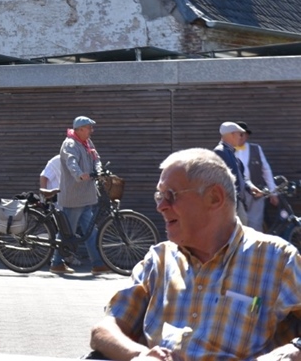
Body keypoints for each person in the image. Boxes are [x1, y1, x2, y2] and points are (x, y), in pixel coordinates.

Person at [90, 148, 301, 360]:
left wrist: (286, 355)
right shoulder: (159, 259)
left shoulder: (277, 259)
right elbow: (105, 329)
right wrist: (141, 355)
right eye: (159, 196)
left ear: (214, 197)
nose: (161, 206)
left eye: (170, 195)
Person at [49, 116, 107, 276]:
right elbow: (71, 162)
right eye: (89, 128)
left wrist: (99, 170)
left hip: (86, 195)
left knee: (90, 232)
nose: (91, 131)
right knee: (67, 232)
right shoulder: (70, 144)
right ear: (80, 129)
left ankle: (98, 264)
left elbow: (96, 158)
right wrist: (79, 174)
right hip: (74, 196)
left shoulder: (87, 142)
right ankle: (56, 263)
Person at [233, 121, 280, 232]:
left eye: (243, 134)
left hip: (256, 192)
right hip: (236, 193)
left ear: (247, 136)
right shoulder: (228, 150)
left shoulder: (256, 149)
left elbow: (266, 170)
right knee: (238, 223)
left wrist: (273, 192)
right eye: (238, 134)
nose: (240, 137)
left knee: (256, 223)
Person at [214, 121, 250, 225]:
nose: (240, 137)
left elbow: (240, 176)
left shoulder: (230, 152)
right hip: (230, 203)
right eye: (240, 134)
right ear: (232, 134)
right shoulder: (220, 152)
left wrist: (250, 187)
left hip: (236, 202)